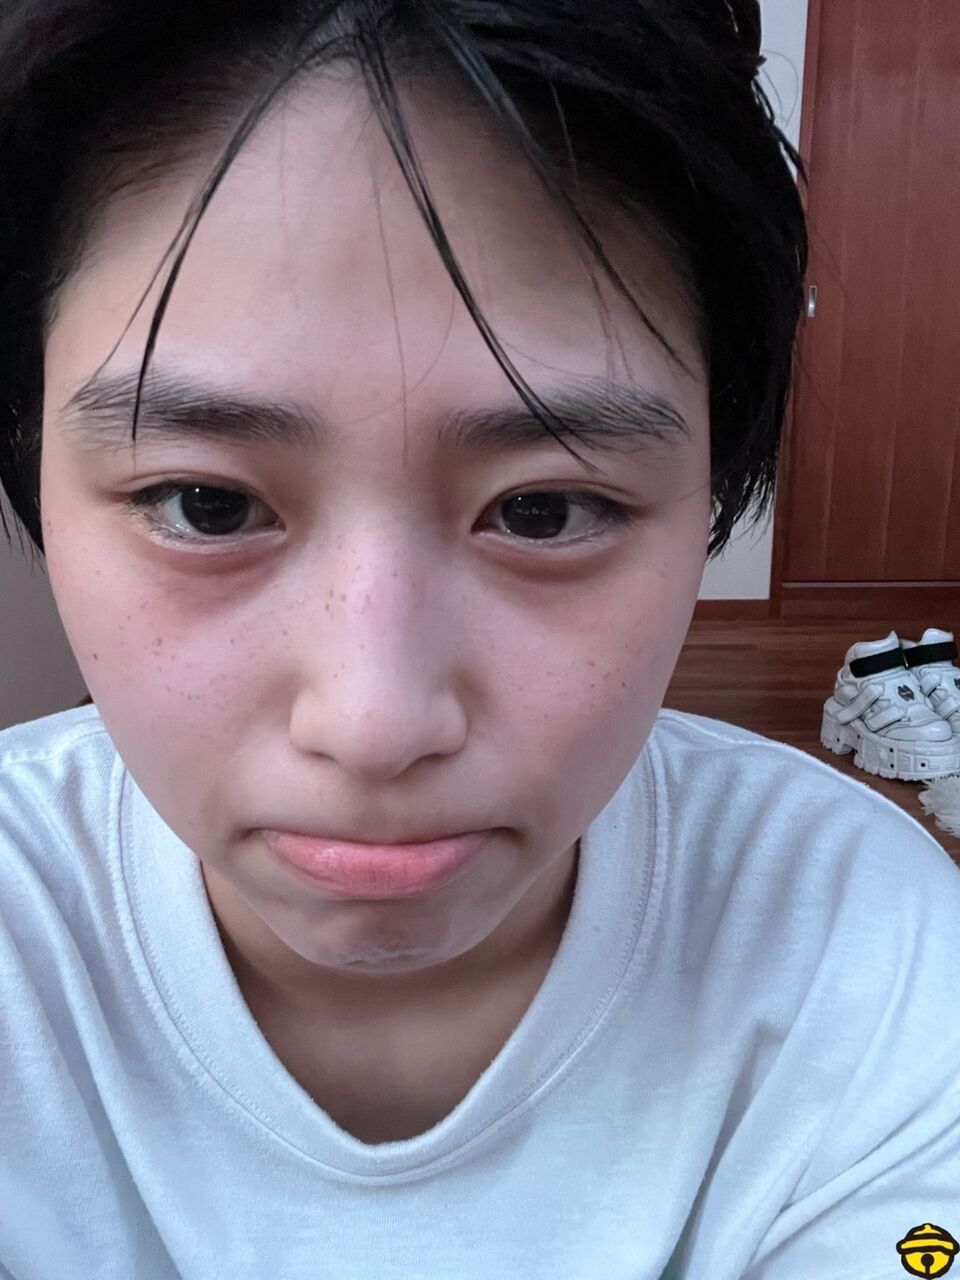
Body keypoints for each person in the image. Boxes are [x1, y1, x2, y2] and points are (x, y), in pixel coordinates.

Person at [1, 2, 958, 1277]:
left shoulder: (869, 949)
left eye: (544, 510)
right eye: (207, 504)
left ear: (713, 490)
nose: (376, 720)